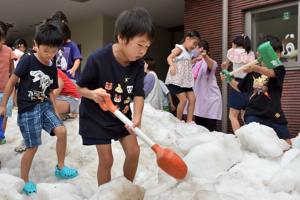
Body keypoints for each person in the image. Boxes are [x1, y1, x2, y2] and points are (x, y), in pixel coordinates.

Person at [76, 7, 155, 186]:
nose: (142, 51)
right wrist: (92, 93)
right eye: (139, 44)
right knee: (107, 159)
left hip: (121, 116)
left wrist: (137, 117)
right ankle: (104, 195)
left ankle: (126, 190)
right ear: (121, 37)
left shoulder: (137, 64)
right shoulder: (98, 58)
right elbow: (80, 87)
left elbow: (138, 94)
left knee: (134, 152)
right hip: (96, 116)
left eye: (147, 47)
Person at [0, 22, 78, 195]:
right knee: (32, 147)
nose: (50, 55)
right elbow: (12, 82)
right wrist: (3, 105)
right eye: (46, 50)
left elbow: (50, 90)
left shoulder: (51, 66)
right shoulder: (27, 61)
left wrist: (56, 112)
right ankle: (25, 180)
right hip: (28, 110)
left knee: (62, 132)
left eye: (54, 51)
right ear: (36, 45)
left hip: (45, 106)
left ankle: (60, 166)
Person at [220, 35, 292, 146]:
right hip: (253, 114)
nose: (273, 57)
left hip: (275, 114)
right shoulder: (252, 73)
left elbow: (271, 73)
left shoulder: (279, 69)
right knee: (255, 145)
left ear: (280, 55)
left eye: (276, 54)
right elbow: (240, 88)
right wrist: (229, 80)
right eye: (269, 54)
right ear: (259, 55)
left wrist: (255, 68)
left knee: (287, 144)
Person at [14, 68, 82, 153]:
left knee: (37, 108)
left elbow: (60, 84)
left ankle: (27, 140)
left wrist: (48, 101)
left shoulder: (46, 67)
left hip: (70, 99)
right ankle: (62, 113)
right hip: (63, 97)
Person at [184, 40, 222, 131]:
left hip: (210, 101)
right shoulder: (194, 62)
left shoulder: (208, 62)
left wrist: (205, 56)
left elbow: (212, 65)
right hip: (199, 102)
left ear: (201, 49)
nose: (193, 50)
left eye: (195, 48)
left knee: (210, 129)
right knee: (200, 129)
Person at [165, 30, 201, 123]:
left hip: (185, 81)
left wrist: (196, 59)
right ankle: (178, 121)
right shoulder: (179, 48)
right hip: (176, 80)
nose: (194, 46)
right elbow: (169, 57)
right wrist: (172, 66)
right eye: (194, 43)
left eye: (196, 44)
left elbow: (187, 63)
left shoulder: (190, 53)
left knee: (193, 99)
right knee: (183, 100)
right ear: (187, 39)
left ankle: (189, 121)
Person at [221, 35, 255, 133]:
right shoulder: (250, 53)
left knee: (233, 115)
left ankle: (239, 139)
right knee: (245, 116)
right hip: (250, 85)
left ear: (235, 44)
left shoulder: (233, 52)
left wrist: (225, 65)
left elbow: (225, 65)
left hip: (238, 84)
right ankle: (250, 137)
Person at [0, 21, 17, 145]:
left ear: (4, 38)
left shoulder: (8, 52)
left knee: (1, 129)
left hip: (4, 94)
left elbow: (12, 71)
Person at [12, 39, 27, 109]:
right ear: (22, 46)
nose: (24, 49)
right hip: (18, 74)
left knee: (13, 90)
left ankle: (15, 106)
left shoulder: (12, 52)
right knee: (19, 90)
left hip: (11, 74)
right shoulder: (22, 55)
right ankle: (19, 105)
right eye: (24, 47)